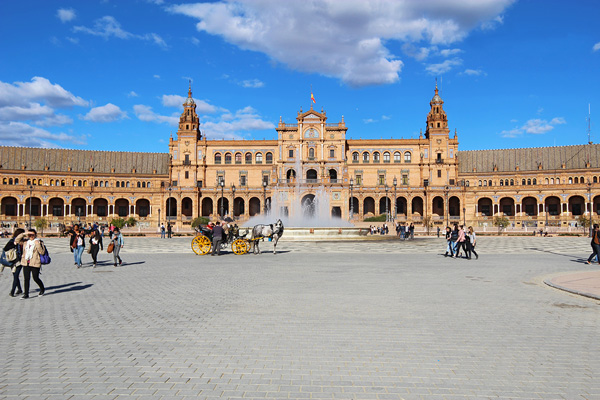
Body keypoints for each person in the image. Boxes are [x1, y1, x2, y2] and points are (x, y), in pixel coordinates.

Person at [15, 229, 45, 299]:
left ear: (35, 235)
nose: (31, 236)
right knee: (26, 279)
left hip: (35, 263)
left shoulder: (39, 242)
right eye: (30, 235)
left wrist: (37, 244)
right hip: (26, 263)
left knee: (35, 278)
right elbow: (16, 240)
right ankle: (26, 294)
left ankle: (42, 288)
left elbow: (42, 252)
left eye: (33, 235)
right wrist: (24, 233)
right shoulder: (25, 242)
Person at [4, 228, 25, 297]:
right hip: (13, 260)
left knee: (16, 275)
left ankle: (12, 291)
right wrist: (14, 244)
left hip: (20, 261)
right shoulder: (12, 241)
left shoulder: (24, 242)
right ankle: (19, 289)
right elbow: (5, 248)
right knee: (15, 276)